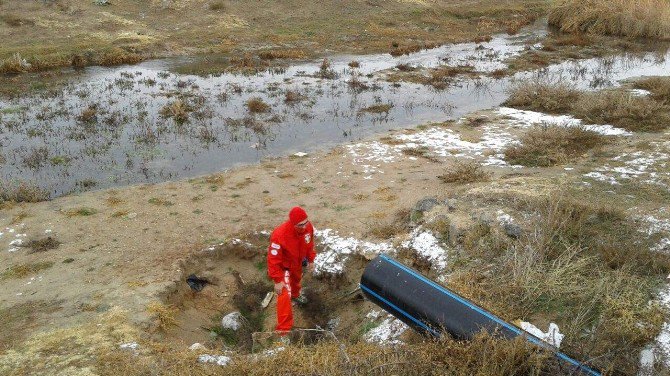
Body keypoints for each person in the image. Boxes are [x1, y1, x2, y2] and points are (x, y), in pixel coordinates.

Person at [266, 206, 316, 334]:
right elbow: (273, 258)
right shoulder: (279, 235)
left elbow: (309, 244)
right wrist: (277, 280)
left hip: (296, 263)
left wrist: (310, 260)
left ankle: (295, 295)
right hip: (283, 267)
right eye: (300, 225)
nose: (304, 227)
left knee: (296, 281)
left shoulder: (308, 227)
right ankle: (284, 330)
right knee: (283, 293)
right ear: (293, 224)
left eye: (306, 222)